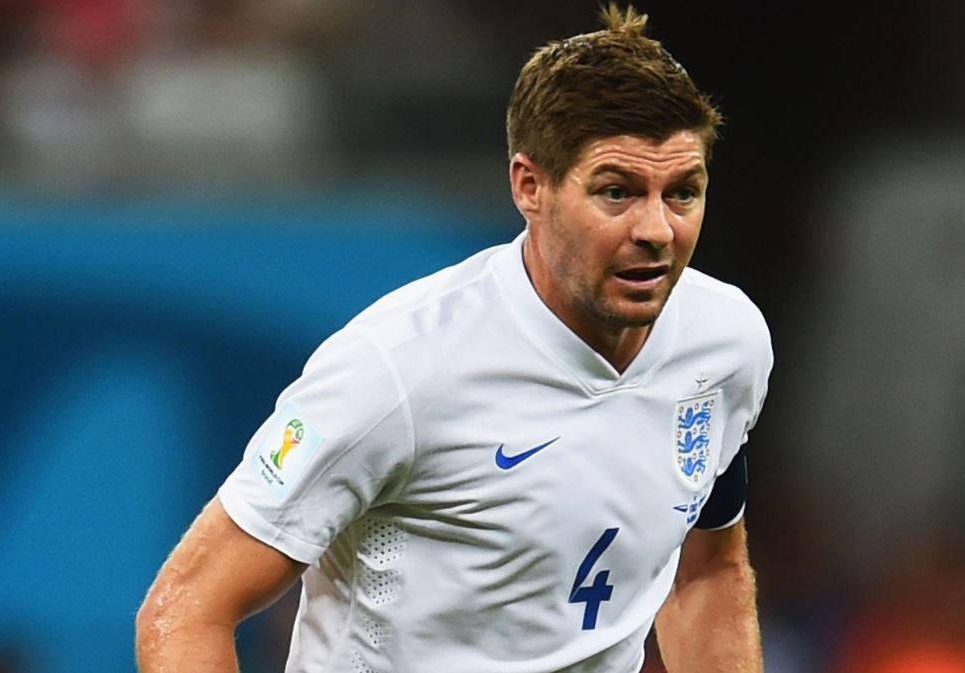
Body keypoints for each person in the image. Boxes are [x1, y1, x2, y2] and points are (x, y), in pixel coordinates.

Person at [135, 5, 772, 672]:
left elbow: (706, 570)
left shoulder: (725, 344)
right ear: (530, 186)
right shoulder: (396, 369)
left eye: (683, 193)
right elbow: (186, 610)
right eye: (617, 192)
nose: (657, 230)